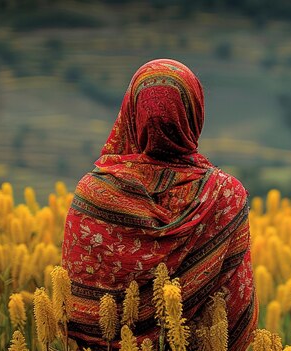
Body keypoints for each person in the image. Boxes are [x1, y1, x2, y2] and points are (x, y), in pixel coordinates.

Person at [61, 59, 257, 350]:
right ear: (194, 114)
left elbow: (76, 313)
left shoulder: (94, 192)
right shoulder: (225, 195)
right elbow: (232, 308)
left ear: (131, 113)